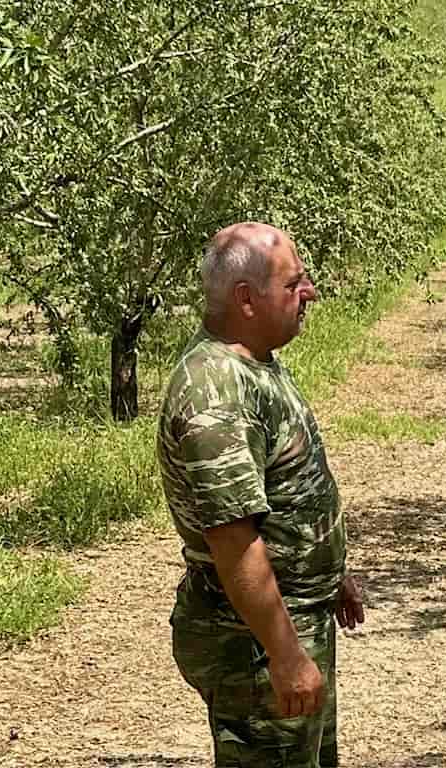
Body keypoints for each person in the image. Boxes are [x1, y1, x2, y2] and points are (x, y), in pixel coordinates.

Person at [158, 222, 365, 767]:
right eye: (295, 282)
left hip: (290, 618)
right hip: (251, 640)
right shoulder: (214, 392)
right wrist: (284, 653)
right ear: (246, 299)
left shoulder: (252, 363)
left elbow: (283, 490)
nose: (311, 292)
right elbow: (233, 540)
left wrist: (326, 571)